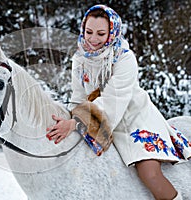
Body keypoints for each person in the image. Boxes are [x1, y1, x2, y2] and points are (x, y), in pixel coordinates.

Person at [46, 4, 191, 200]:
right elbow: (78, 97)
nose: (93, 39)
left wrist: (76, 123)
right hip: (97, 119)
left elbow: (113, 99)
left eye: (100, 33)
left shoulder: (124, 58)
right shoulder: (79, 59)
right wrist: (68, 118)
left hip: (134, 118)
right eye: (89, 32)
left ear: (112, 33)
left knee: (149, 173)